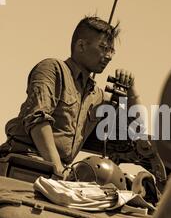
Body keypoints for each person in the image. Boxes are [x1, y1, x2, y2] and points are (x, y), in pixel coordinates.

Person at [0, 16, 140, 176]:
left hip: (57, 173)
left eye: (111, 50)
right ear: (81, 45)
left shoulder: (96, 96)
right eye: (103, 47)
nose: (108, 56)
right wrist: (57, 168)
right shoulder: (53, 69)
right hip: (24, 163)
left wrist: (131, 92)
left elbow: (135, 128)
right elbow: (37, 119)